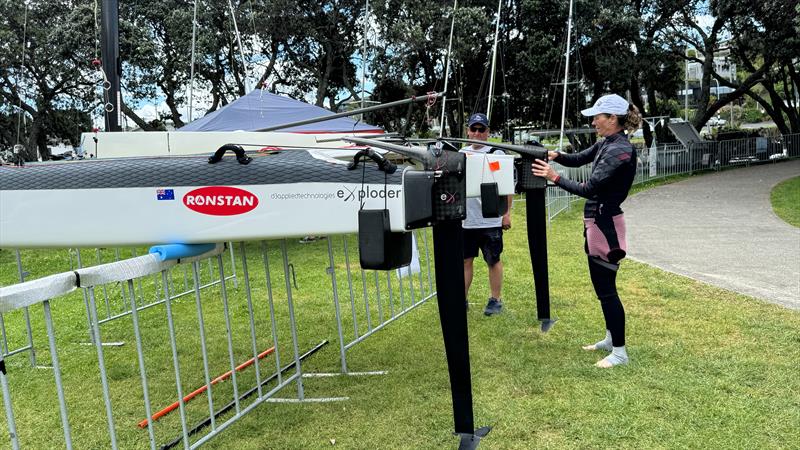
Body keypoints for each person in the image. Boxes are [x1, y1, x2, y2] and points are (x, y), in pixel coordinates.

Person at [532, 94, 641, 368]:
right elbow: (579, 158)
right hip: (597, 222)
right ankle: (610, 339)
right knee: (602, 288)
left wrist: (553, 177)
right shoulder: (608, 143)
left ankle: (619, 353)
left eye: (597, 117)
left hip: (606, 226)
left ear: (613, 119)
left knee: (607, 291)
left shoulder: (620, 150)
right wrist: (557, 156)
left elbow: (589, 188)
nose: (593, 122)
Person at [460, 113, 513, 316]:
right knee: (465, 261)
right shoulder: (461, 153)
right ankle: (461, 299)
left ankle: (495, 300)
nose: (477, 133)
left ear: (487, 132)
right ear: (468, 131)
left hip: (490, 219)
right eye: (474, 129)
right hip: (467, 220)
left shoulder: (496, 153)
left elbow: (507, 186)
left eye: (481, 130)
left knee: (493, 259)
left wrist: (506, 214)